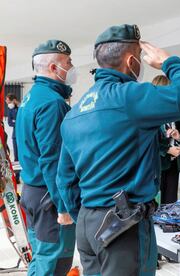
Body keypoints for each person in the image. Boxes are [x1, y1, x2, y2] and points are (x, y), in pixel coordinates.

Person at [56, 24, 180, 275]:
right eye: (140, 58)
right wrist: (169, 61)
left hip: (88, 225)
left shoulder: (75, 112)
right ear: (131, 60)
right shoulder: (131, 97)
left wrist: (88, 215)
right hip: (122, 227)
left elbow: (65, 179)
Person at [15, 39, 77, 275]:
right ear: (54, 67)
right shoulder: (52, 103)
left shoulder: (32, 98)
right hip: (49, 199)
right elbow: (53, 160)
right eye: (68, 62)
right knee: (52, 263)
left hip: (33, 192)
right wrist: (63, 206)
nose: (71, 66)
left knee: (43, 259)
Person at [153, 75, 180, 204]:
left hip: (174, 163)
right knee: (156, 203)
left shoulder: (174, 112)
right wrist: (168, 149)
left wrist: (179, 137)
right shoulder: (150, 113)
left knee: (171, 200)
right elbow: (148, 141)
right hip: (156, 165)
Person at [5, 93, 20, 182]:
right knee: (16, 157)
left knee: (24, 156)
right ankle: (17, 178)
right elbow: (10, 123)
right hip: (15, 136)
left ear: (14, 100)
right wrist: (18, 121)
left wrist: (17, 121)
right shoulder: (10, 110)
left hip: (23, 136)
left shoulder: (21, 108)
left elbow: (23, 119)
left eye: (8, 101)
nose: (7, 103)